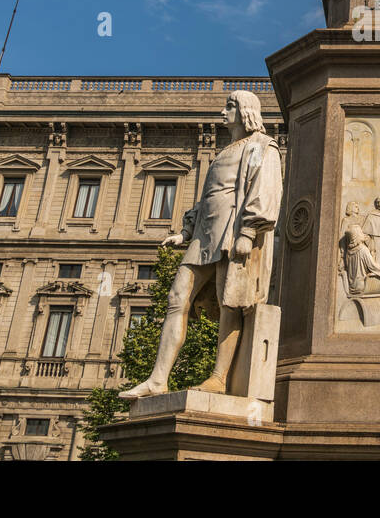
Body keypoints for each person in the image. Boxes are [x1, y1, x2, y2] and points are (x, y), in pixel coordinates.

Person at [120, 91, 281, 399]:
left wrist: (248, 232)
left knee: (228, 302)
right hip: (204, 234)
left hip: (232, 232)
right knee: (177, 297)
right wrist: (185, 231)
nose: (223, 112)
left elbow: (265, 187)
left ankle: (219, 377)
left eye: (229, 106)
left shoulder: (261, 147)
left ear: (245, 110)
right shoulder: (224, 152)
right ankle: (158, 379)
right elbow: (209, 196)